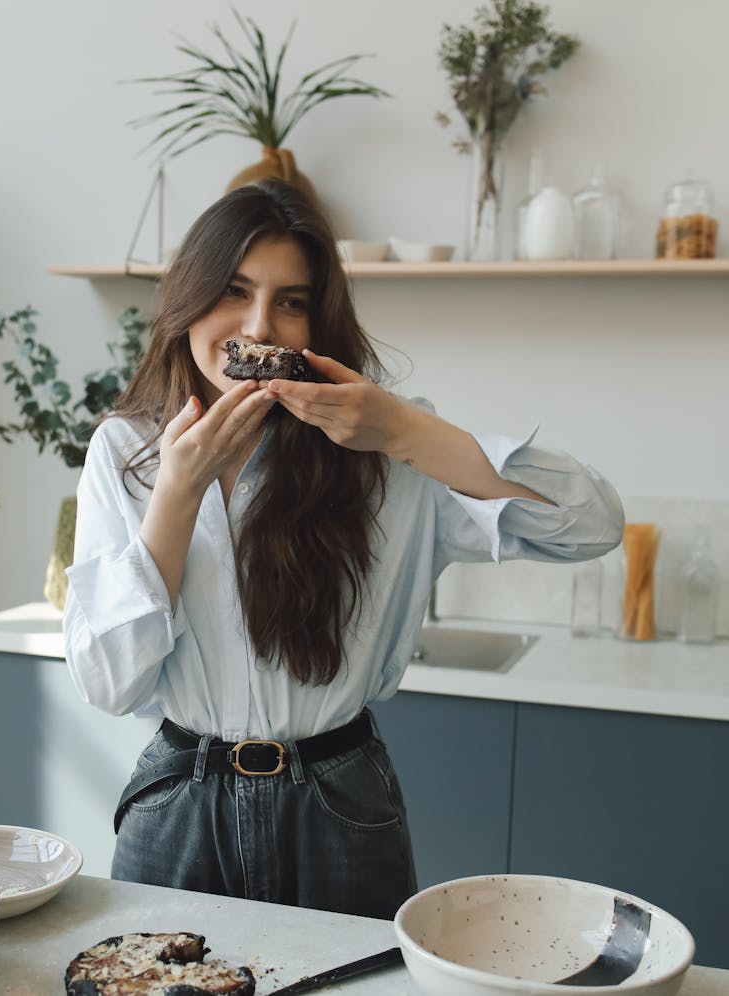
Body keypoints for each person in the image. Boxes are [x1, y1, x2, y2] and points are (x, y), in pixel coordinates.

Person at [63, 178, 624, 920]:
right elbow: (107, 684)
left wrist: (404, 431)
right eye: (233, 290)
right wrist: (176, 491)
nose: (259, 325)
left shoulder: (384, 448)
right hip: (176, 800)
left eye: (290, 302)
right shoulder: (126, 450)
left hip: (341, 802)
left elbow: (592, 523)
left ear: (317, 323)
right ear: (188, 298)